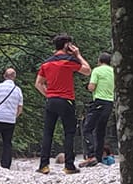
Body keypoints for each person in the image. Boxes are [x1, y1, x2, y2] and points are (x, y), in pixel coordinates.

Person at [35, 35, 92, 173]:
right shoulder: (69, 61)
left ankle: (43, 165)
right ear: (67, 45)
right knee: (69, 133)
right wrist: (78, 55)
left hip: (51, 100)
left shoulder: (46, 63)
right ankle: (69, 166)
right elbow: (87, 70)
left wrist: (48, 94)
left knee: (48, 133)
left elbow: (38, 84)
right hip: (66, 100)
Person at [81, 51, 115, 165]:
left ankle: (91, 155)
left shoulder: (97, 70)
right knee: (101, 131)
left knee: (87, 129)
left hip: (99, 101)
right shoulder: (113, 71)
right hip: (110, 102)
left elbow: (92, 87)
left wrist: (87, 86)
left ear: (99, 61)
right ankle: (99, 157)